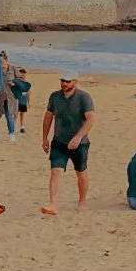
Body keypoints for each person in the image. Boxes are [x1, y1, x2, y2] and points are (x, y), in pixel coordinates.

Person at [41, 73, 96, 215]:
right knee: (55, 172)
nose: (64, 83)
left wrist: (78, 137)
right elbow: (48, 116)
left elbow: (90, 119)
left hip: (80, 144)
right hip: (59, 142)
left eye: (67, 81)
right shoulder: (55, 96)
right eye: (62, 81)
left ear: (75, 82)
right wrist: (45, 138)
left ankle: (82, 201)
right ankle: (53, 205)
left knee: (81, 173)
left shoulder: (84, 97)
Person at [0, 50, 18, 143]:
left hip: (11, 97)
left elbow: (21, 81)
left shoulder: (13, 69)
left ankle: (11, 134)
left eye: (1, 61)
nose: (0, 63)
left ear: (6, 60)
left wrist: (14, 84)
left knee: (9, 116)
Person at [11, 66, 32, 133]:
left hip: (23, 101)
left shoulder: (26, 85)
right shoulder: (16, 83)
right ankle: (12, 127)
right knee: (15, 114)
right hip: (17, 100)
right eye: (21, 75)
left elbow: (28, 94)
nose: (22, 77)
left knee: (22, 114)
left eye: (24, 75)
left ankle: (21, 127)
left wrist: (28, 103)